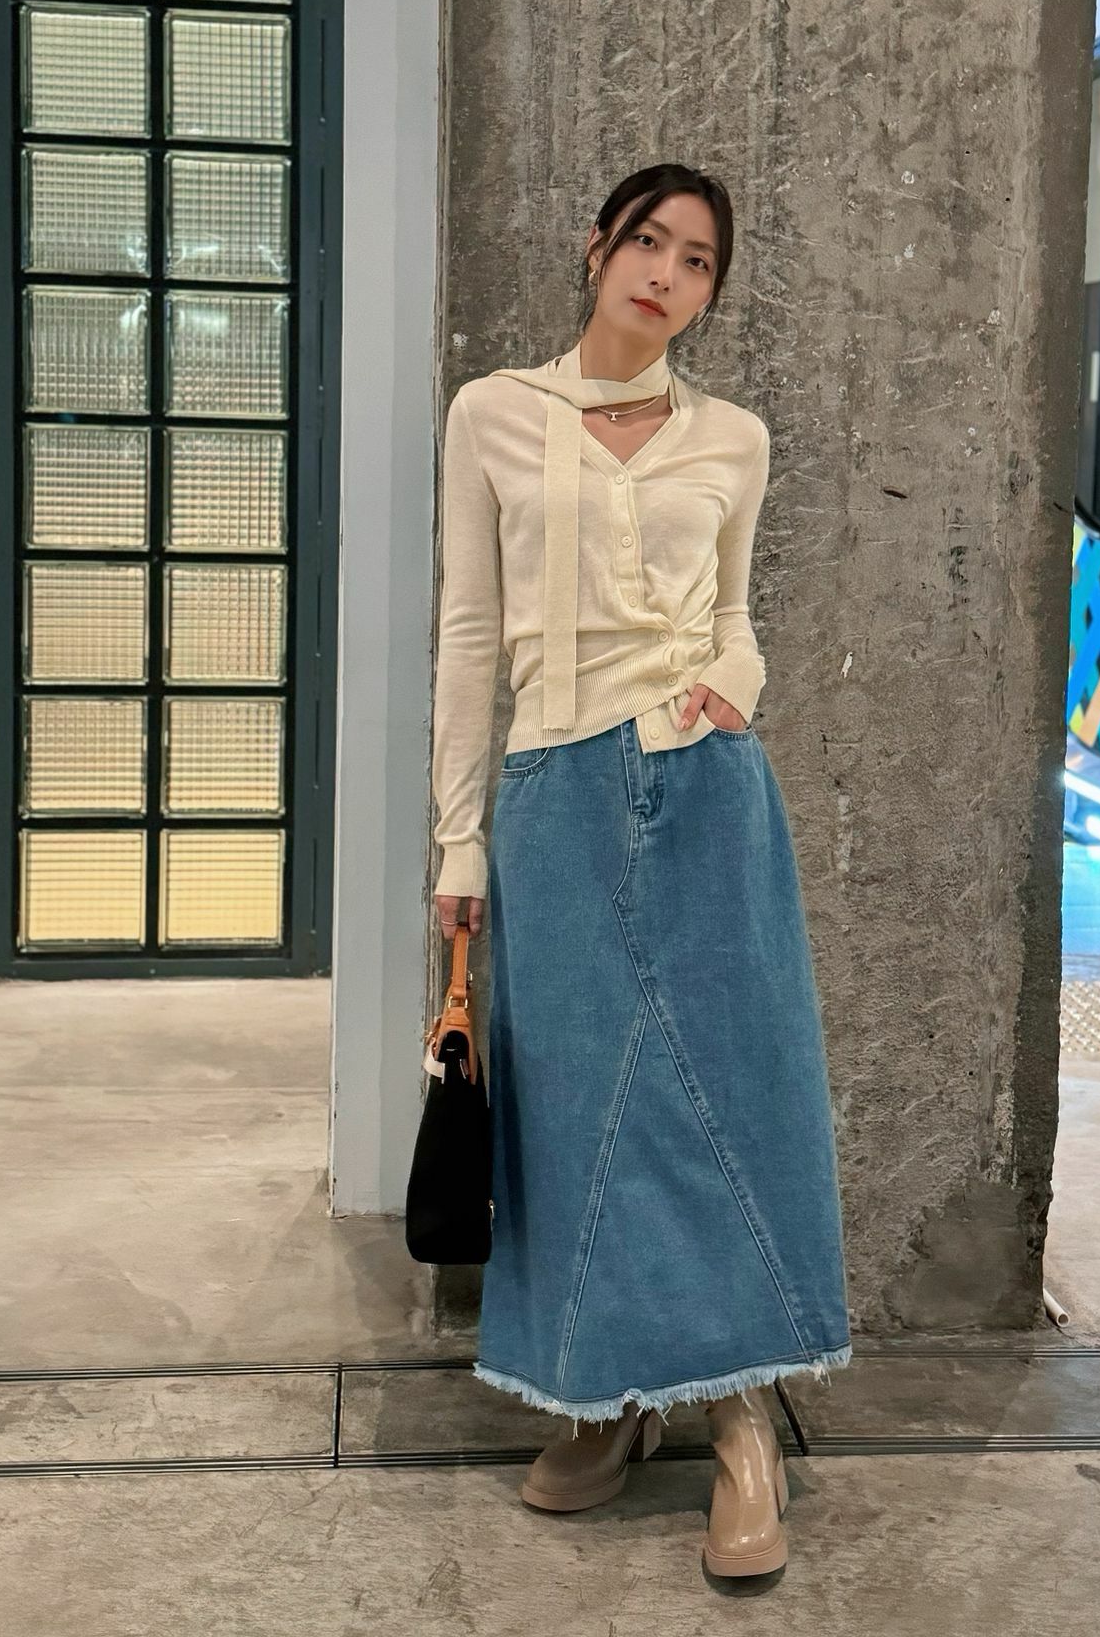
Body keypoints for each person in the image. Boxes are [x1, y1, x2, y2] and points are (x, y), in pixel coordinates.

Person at [430, 162, 851, 1584]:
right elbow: (470, 636)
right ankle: (609, 1402)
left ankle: (741, 1425)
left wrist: (735, 684)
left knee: (734, 1091)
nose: (667, 273)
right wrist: (458, 838)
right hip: (554, 792)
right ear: (597, 248)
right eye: (648, 242)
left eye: (698, 260)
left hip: (708, 786)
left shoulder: (733, 436)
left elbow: (736, 612)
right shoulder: (493, 414)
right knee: (578, 1110)